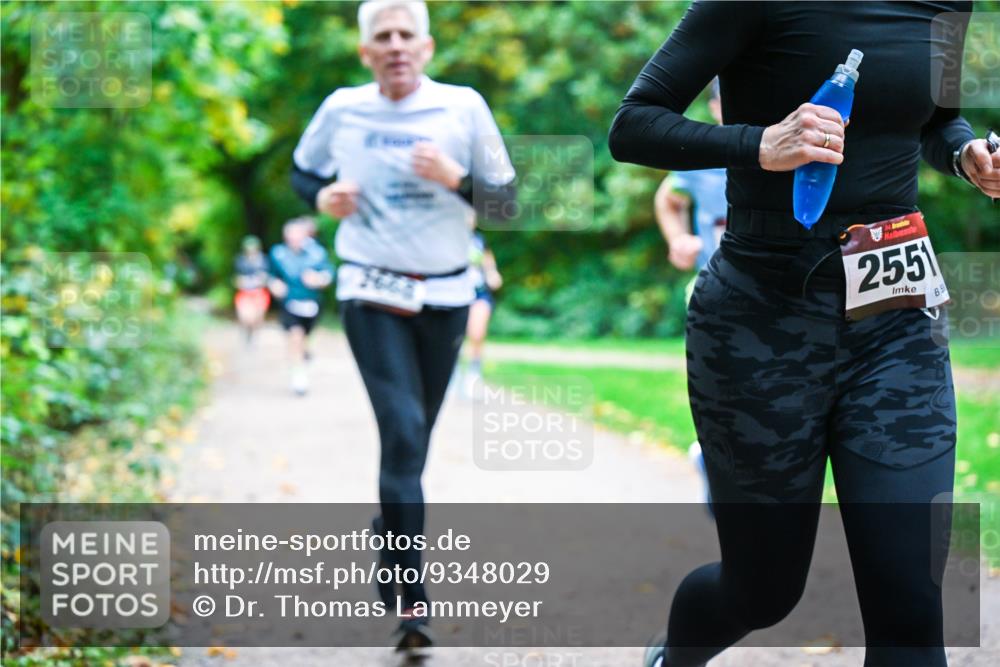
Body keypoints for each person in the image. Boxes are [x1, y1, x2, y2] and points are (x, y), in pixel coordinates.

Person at [609, 3, 998, 667]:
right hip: (760, 323)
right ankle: (674, 656)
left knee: (910, 601)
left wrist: (967, 154)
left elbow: (931, 117)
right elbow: (633, 125)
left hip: (894, 320)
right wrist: (760, 144)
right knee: (762, 590)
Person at [289, 0, 516, 650]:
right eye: (380, 37)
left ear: (426, 47)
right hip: (369, 286)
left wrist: (457, 179)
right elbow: (302, 172)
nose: (394, 46)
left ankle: (388, 531)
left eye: (404, 35)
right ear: (365, 53)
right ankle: (414, 602)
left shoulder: (463, 107)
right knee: (405, 429)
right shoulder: (342, 108)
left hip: (446, 293)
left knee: (410, 446)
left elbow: (508, 202)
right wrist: (320, 198)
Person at [653, 78, 727, 511]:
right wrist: (677, 239)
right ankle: (711, 455)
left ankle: (714, 456)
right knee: (718, 385)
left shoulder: (786, 143)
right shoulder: (703, 155)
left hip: (774, 290)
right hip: (712, 287)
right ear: (715, 107)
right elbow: (667, 199)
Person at [267, 218, 333, 396]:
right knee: (295, 335)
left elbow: (329, 274)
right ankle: (298, 375)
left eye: (297, 234)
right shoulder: (278, 253)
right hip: (289, 303)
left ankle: (303, 353)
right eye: (290, 234)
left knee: (304, 337)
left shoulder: (317, 253)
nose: (293, 237)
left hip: (312, 304)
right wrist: (274, 284)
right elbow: (270, 275)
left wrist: (319, 279)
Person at [461, 230, 502, 398]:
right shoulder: (446, 234)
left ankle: (473, 376)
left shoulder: (479, 240)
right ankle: (451, 374)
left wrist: (492, 274)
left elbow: (488, 262)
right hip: (453, 293)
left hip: (478, 293)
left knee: (477, 334)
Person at [233, 235, 271, 344]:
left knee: (257, 318)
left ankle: (254, 337)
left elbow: (265, 277)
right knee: (245, 318)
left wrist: (259, 280)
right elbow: (237, 278)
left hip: (259, 293)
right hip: (245, 293)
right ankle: (247, 335)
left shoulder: (263, 260)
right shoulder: (240, 260)